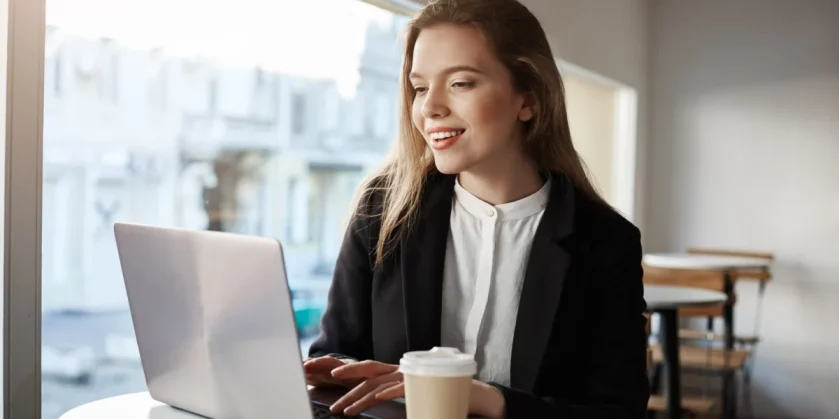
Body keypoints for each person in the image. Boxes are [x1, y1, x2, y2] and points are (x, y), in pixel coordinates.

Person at [304, 0, 650, 417]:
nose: (429, 107)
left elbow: (618, 411)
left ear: (529, 99)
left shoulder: (606, 242)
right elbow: (332, 364)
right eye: (419, 87)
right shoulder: (381, 211)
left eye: (461, 83)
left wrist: (486, 397)